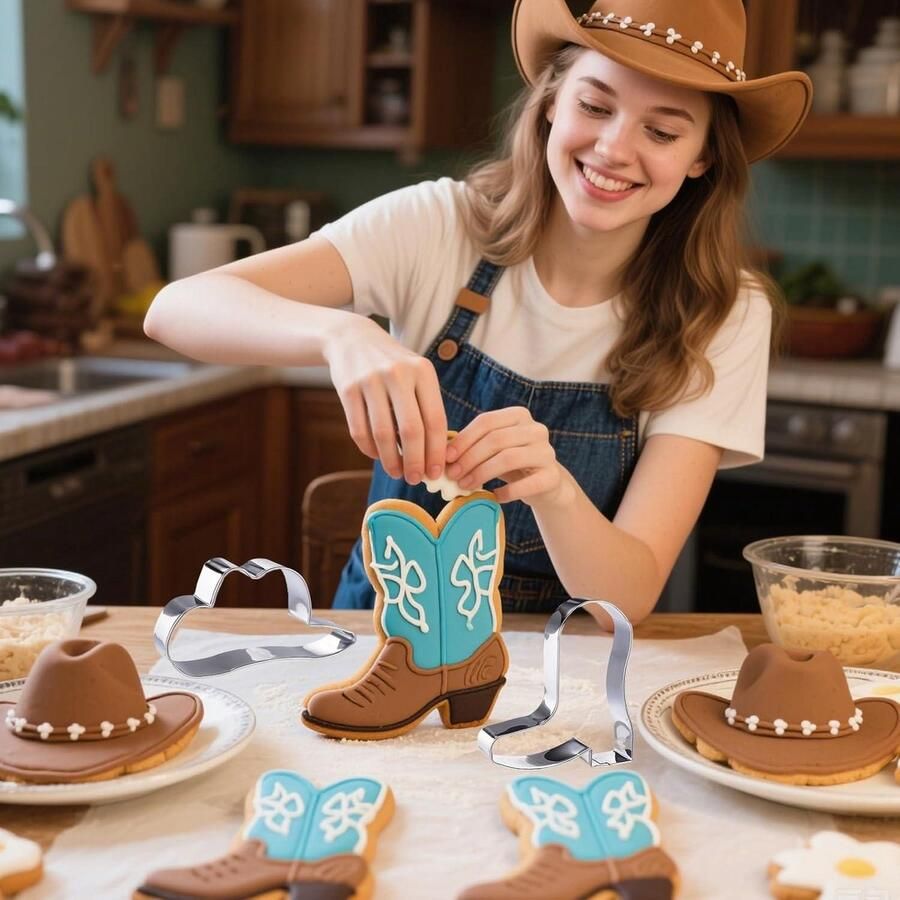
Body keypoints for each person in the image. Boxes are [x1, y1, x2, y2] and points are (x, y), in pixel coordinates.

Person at [144, 0, 811, 623]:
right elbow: (176, 308)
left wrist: (553, 491)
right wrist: (339, 334)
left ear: (702, 157)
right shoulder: (440, 225)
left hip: (562, 665)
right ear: (551, 104)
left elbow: (630, 596)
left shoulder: (724, 313)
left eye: (662, 131)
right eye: (594, 105)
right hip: (379, 638)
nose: (613, 148)